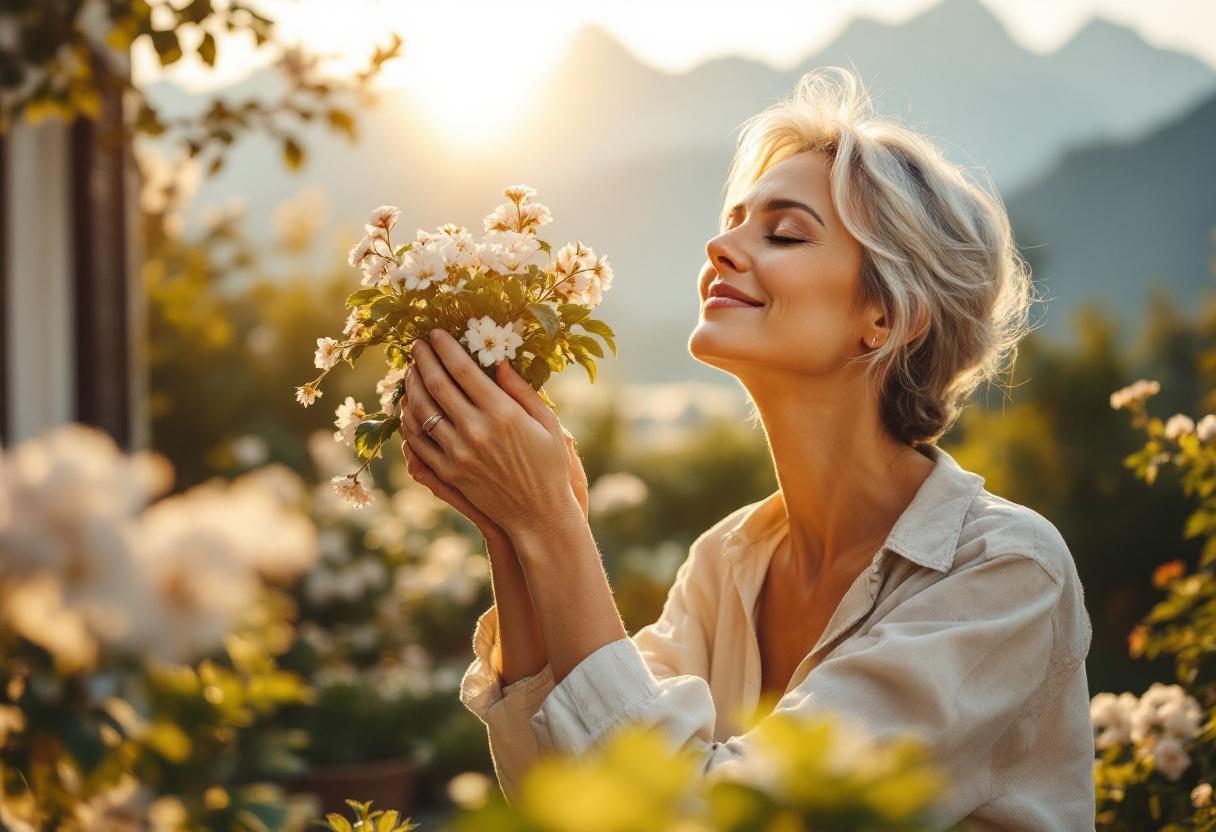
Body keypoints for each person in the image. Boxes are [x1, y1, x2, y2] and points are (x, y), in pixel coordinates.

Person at [396, 66, 1095, 830]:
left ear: (887, 317)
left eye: (784, 233)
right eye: (733, 221)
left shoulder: (1004, 571)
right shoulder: (725, 564)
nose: (720, 246)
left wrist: (552, 526)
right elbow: (566, 800)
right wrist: (512, 531)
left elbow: (717, 815)